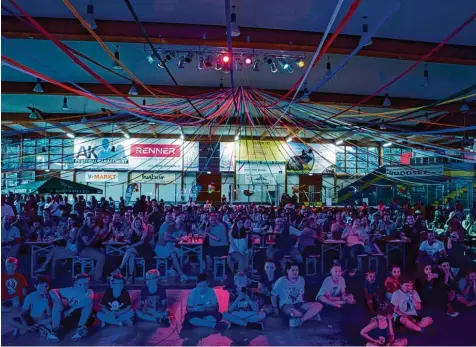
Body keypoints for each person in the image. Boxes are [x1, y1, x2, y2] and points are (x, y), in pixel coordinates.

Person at [271, 261, 322, 327]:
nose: (295, 272)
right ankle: (310, 316)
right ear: (287, 270)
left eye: (297, 270)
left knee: (318, 305)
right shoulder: (281, 281)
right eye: (293, 270)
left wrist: (306, 304)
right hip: (287, 306)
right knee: (293, 312)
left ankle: (302, 320)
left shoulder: (301, 279)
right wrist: (275, 308)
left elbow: (302, 295)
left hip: (300, 304)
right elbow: (273, 295)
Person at [47, 273, 94, 342]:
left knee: (89, 305)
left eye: (86, 284)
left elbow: (89, 300)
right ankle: (55, 331)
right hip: (66, 317)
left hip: (79, 318)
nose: (84, 286)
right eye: (80, 284)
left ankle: (79, 329)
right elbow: (52, 291)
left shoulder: (89, 291)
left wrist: (71, 310)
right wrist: (59, 300)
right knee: (57, 303)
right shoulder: (69, 290)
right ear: (75, 285)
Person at [111, 217, 154, 283]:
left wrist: (131, 246)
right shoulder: (132, 230)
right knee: (131, 256)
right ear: (134, 223)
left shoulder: (144, 230)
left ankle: (120, 268)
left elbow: (141, 242)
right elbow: (130, 239)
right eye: (136, 222)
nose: (138, 224)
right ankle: (130, 277)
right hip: (136, 249)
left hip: (145, 249)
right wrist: (127, 241)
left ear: (141, 223)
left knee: (129, 250)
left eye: (139, 222)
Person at [154, 212, 189, 282]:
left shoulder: (182, 226)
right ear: (176, 217)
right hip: (161, 248)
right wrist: (178, 239)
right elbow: (166, 238)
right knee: (173, 254)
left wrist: (183, 237)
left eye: (183, 217)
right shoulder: (170, 225)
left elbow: (185, 236)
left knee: (185, 256)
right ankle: (181, 274)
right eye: (180, 217)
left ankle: (170, 269)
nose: (182, 219)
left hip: (170, 248)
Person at [76, 212, 105, 282]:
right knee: (101, 257)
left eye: (93, 219)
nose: (92, 221)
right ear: (86, 220)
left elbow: (93, 241)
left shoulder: (90, 228)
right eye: (91, 219)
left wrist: (97, 235)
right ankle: (97, 277)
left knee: (103, 251)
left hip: (87, 249)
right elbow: (87, 243)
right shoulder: (84, 228)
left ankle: (91, 273)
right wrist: (95, 234)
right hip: (82, 251)